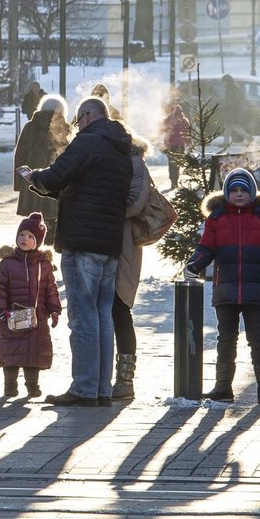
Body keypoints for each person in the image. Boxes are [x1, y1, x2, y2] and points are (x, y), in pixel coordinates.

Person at [22, 97, 133, 407]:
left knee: (83, 318)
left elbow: (57, 176)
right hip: (108, 244)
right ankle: (100, 388)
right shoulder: (119, 148)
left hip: (82, 241)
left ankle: (84, 388)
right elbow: (85, 184)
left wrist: (34, 179)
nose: (74, 126)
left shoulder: (87, 142)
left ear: (86, 116)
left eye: (76, 120)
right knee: (102, 317)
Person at [183, 168, 260, 405]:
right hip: (226, 291)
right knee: (226, 339)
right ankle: (223, 388)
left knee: (257, 339)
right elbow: (206, 248)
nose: (239, 194)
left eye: (243, 190)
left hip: (255, 291)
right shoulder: (217, 219)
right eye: (234, 190)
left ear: (252, 192)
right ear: (226, 193)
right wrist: (194, 265)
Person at [0, 213, 62, 398]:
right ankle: (10, 385)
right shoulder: (7, 263)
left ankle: (32, 385)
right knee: (11, 353)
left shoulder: (44, 265)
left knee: (33, 354)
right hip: (11, 316)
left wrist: (54, 310)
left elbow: (50, 289)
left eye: (30, 236)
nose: (25, 239)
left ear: (37, 241)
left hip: (37, 318)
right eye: (21, 235)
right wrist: (1, 310)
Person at [111, 133, 152, 401]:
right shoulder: (106, 161)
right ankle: (102, 377)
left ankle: (125, 380)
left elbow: (135, 203)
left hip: (124, 245)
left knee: (120, 307)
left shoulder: (135, 165)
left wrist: (101, 204)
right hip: (103, 240)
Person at [13, 94, 73, 244]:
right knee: (53, 224)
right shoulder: (65, 129)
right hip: (56, 182)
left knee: (33, 224)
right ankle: (48, 257)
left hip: (31, 181)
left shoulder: (29, 127)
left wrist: (19, 185)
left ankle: (34, 252)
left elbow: (20, 156)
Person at [162, 103, 190, 190]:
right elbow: (188, 132)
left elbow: (162, 129)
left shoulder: (169, 119)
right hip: (181, 145)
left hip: (171, 145)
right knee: (178, 163)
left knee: (171, 164)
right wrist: (188, 143)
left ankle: (173, 182)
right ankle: (176, 181)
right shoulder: (184, 120)